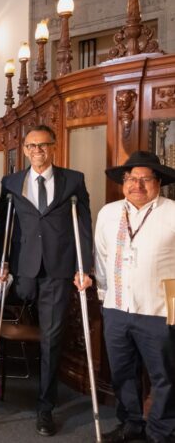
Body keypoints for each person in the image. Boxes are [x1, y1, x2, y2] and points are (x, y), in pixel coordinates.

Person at [0, 125, 93, 436]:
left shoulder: (73, 180)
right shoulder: (11, 182)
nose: (37, 151)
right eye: (31, 146)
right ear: (24, 150)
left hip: (57, 269)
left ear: (53, 146)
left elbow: (84, 226)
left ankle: (45, 407)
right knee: (0, 316)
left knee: (51, 337)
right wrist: (1, 261)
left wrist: (84, 267)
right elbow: (4, 226)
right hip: (22, 268)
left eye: (43, 145)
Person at [93, 151, 175, 443]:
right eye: (131, 178)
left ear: (158, 182)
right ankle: (131, 424)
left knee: (164, 376)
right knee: (122, 372)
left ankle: (161, 431)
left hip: (159, 310)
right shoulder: (108, 213)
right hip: (116, 308)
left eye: (145, 179)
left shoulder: (172, 212)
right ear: (123, 182)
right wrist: (104, 296)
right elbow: (101, 257)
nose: (137, 185)